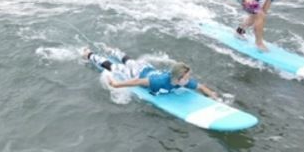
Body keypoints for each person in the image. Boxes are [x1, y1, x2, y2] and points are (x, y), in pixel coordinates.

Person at [82, 49, 221, 100]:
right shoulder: (158, 82)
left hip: (146, 67)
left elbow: (200, 86)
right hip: (137, 73)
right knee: (113, 67)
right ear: (178, 79)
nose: (189, 79)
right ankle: (89, 54)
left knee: (130, 61)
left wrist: (212, 94)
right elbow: (137, 82)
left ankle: (114, 51)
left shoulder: (183, 81)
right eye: (186, 77)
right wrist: (117, 84)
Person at [234, 0, 304, 52]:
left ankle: (239, 32)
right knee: (259, 15)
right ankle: (259, 43)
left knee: (258, 15)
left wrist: (263, 14)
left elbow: (269, 0)